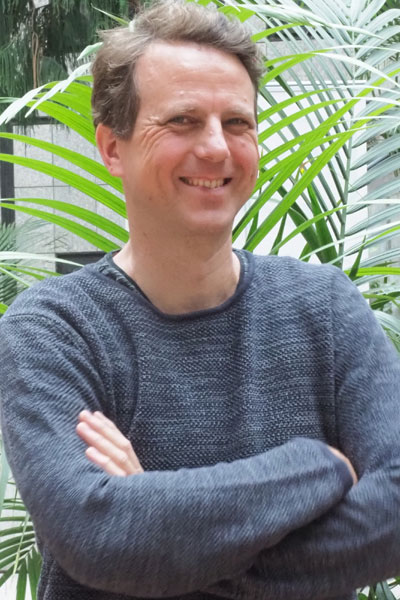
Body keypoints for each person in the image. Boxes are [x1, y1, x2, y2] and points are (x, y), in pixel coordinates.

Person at [0, 1, 399, 600]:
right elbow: (96, 533)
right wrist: (318, 467)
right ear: (112, 147)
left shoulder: (326, 309)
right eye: (183, 120)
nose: (216, 148)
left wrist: (163, 540)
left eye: (237, 122)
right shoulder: (53, 330)